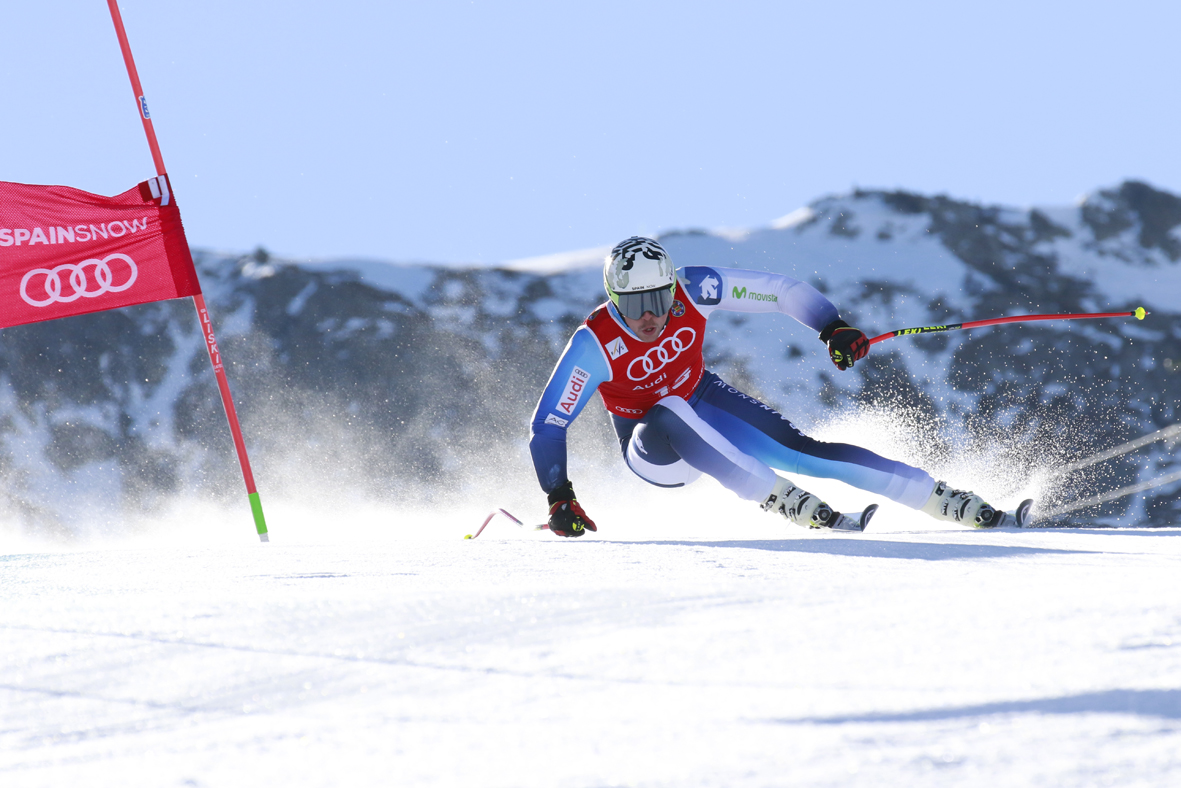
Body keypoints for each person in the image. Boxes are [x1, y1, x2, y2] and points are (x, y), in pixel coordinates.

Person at [528, 236, 1001, 537]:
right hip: (653, 449)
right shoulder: (595, 343)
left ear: (672, 288)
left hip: (703, 400)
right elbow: (548, 426)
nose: (648, 316)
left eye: (657, 299)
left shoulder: (696, 288)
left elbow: (778, 291)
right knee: (669, 407)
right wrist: (559, 497)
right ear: (613, 303)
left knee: (803, 450)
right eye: (633, 306)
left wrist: (831, 327)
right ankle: (779, 497)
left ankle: (942, 499)